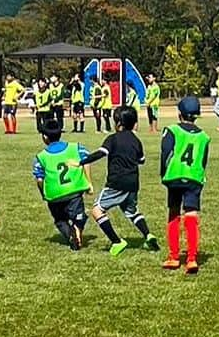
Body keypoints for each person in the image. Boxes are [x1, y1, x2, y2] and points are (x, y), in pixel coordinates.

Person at [76, 105, 158, 254]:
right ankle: (148, 235)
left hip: (116, 183)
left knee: (97, 210)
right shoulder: (136, 140)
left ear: (118, 123)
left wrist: (81, 161)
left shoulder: (112, 139)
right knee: (131, 211)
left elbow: (101, 153)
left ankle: (117, 241)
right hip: (133, 183)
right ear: (134, 123)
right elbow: (142, 160)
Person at [160, 96, 210, 274]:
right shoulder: (204, 137)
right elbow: (203, 160)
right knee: (191, 215)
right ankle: (191, 259)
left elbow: (166, 152)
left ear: (179, 113)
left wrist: (163, 173)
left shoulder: (172, 130)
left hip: (174, 175)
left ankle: (174, 257)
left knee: (173, 212)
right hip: (194, 178)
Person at [33, 119, 92, 252]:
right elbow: (87, 160)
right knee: (79, 216)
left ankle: (70, 235)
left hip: (54, 194)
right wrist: (89, 182)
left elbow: (39, 179)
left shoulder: (41, 157)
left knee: (60, 220)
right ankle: (77, 229)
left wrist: (43, 193)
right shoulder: (75, 147)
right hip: (74, 190)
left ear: (45, 137)